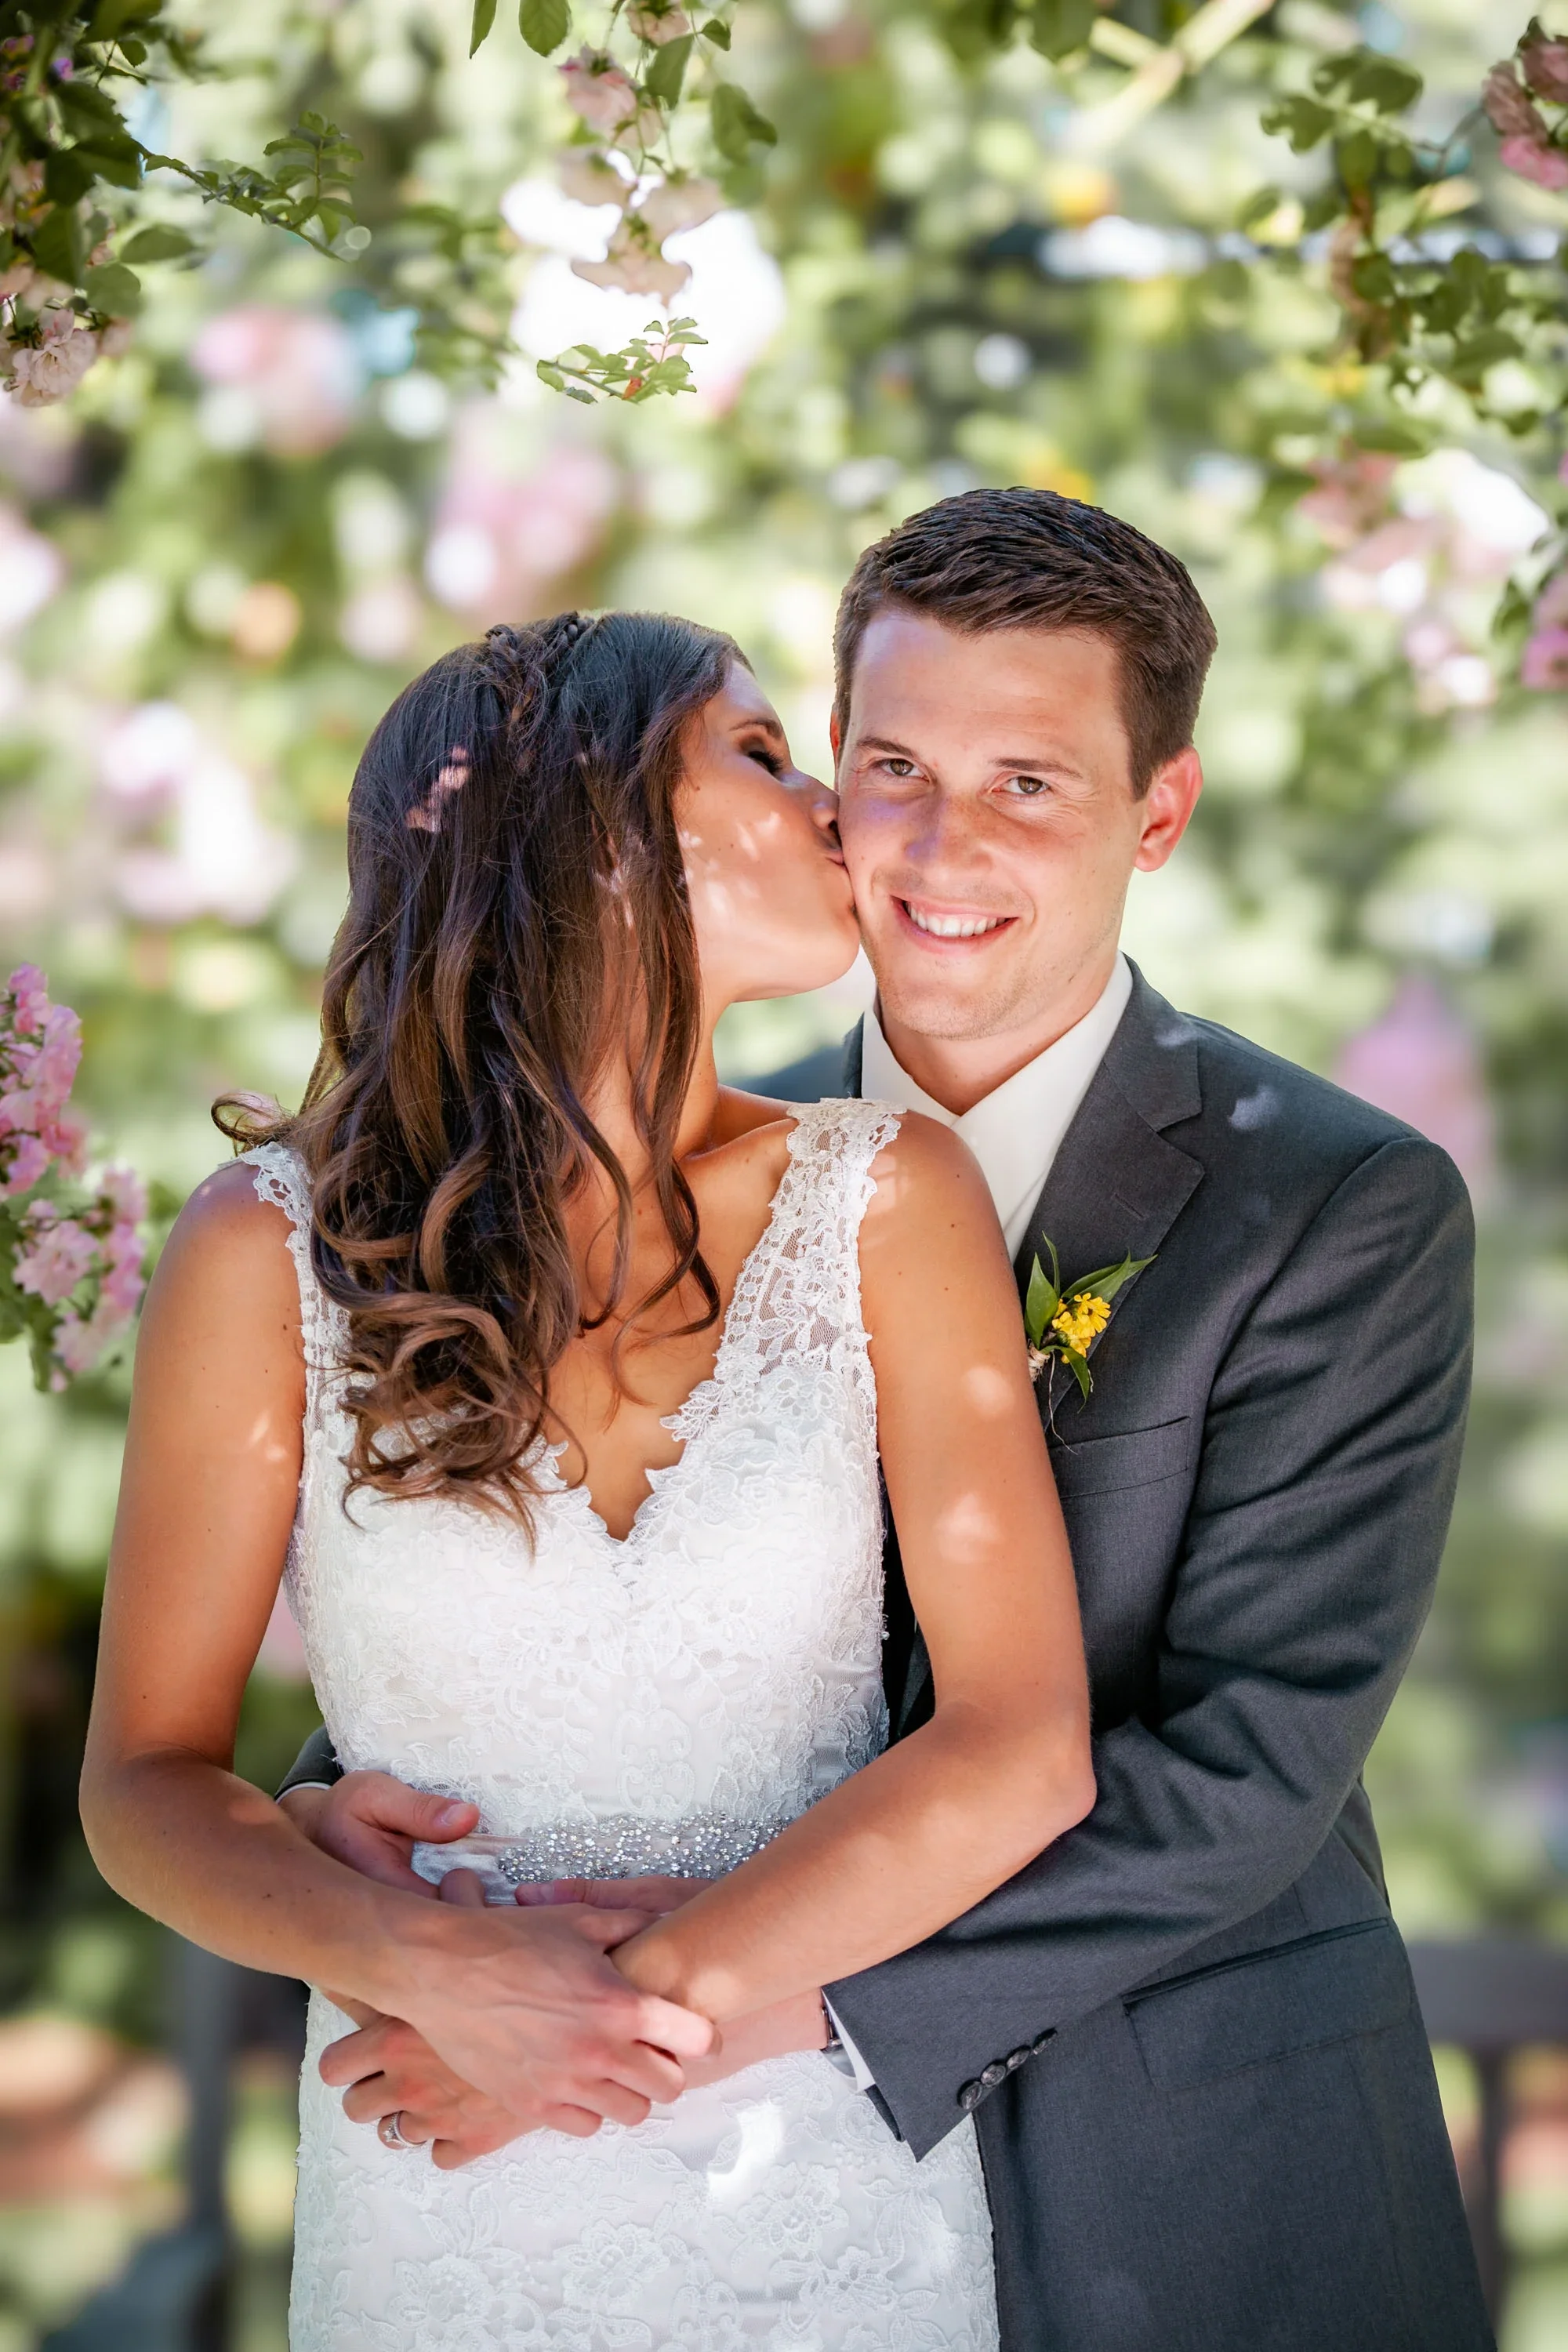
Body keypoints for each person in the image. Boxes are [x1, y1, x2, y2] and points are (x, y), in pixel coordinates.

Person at [285, 491, 1494, 2350]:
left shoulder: (1332, 1206)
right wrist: (364, 1820)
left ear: (1156, 816)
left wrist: (723, 2002)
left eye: (1031, 783)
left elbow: (1250, 1762)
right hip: (694, 2182)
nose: (941, 843)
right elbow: (532, 1536)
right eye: (895, 766)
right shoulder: (667, 1158)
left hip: (1179, 2163)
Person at [79, 608, 1097, 2349]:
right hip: (439, 2180)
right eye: (765, 758)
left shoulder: (888, 1199)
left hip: (823, 2196)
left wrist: (606, 2010)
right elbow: (146, 1788)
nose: (838, 813)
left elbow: (1021, 1745)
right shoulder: (271, 1254)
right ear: (593, 827)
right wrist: (423, 1968)